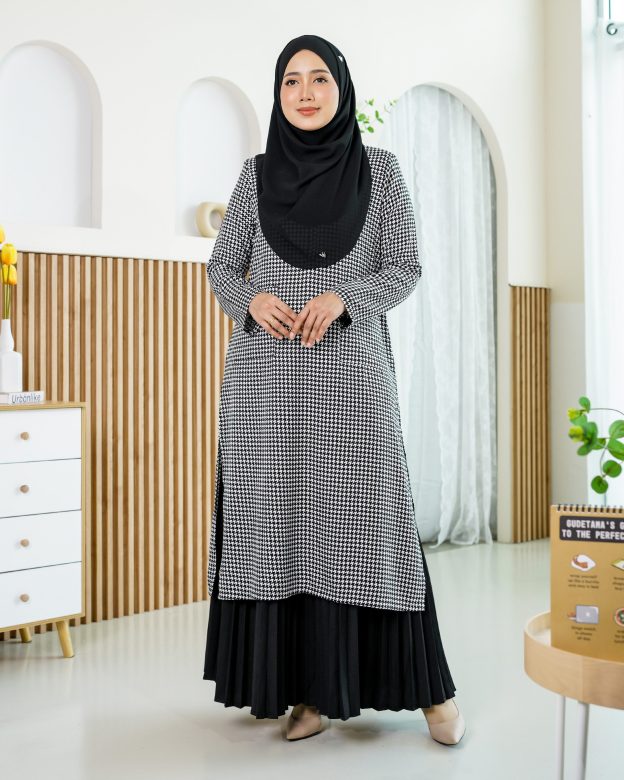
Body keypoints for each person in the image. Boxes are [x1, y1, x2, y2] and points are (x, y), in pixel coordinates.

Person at [203, 33, 466, 746]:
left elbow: (405, 265)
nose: (306, 92)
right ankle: (310, 695)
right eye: (291, 80)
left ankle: (432, 694)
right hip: (266, 391)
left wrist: (346, 296)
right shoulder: (254, 176)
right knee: (281, 532)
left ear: (342, 88)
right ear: (279, 94)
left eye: (320, 78)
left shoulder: (379, 172)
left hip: (351, 382)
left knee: (370, 528)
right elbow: (222, 268)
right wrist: (250, 299)